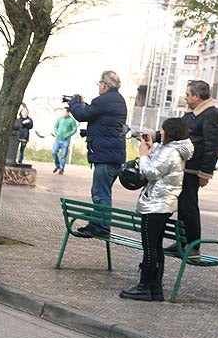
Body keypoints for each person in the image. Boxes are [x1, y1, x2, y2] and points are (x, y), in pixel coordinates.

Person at [119, 119, 193, 301]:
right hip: (162, 203)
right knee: (156, 246)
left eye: (163, 131)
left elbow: (150, 172)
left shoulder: (171, 151)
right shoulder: (172, 150)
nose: (161, 133)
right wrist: (151, 149)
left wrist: (143, 154)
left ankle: (145, 286)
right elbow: (158, 168)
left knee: (150, 247)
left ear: (171, 133)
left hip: (156, 204)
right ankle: (155, 288)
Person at [165, 80, 218, 261]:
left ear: (197, 96)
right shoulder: (192, 114)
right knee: (182, 207)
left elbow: (212, 145)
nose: (186, 97)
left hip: (193, 169)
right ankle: (182, 242)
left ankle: (193, 246)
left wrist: (205, 173)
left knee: (189, 208)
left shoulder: (210, 115)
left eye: (188, 94)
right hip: (185, 166)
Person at [69, 70, 128, 237]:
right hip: (113, 155)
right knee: (102, 192)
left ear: (105, 85)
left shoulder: (104, 100)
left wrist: (74, 104)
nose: (99, 86)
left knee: (100, 193)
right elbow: (99, 118)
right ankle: (98, 223)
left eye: (99, 83)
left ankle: (101, 227)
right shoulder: (117, 100)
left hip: (106, 156)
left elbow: (82, 115)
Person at [52, 105, 77, 174]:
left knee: (63, 155)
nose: (63, 113)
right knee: (54, 152)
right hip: (58, 139)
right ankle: (57, 165)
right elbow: (55, 126)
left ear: (68, 112)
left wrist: (68, 134)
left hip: (65, 140)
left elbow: (74, 129)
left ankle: (61, 169)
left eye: (64, 112)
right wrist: (56, 132)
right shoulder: (60, 119)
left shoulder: (71, 121)